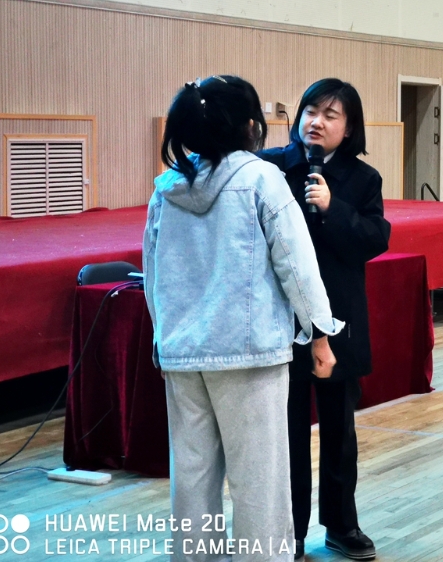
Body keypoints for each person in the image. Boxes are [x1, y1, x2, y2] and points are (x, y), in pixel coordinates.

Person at [143, 75, 344, 562]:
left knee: (192, 480)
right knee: (260, 484)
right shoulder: (261, 179)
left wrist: (162, 339)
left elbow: (153, 276)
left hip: (183, 356)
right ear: (250, 126)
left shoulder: (165, 189)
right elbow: (296, 265)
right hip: (249, 356)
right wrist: (320, 333)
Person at [258, 78, 391, 561]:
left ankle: (341, 525)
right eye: (310, 111)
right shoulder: (271, 168)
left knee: (339, 433)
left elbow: (374, 239)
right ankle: (288, 531)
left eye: (330, 115)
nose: (316, 122)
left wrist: (334, 209)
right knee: (286, 434)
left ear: (349, 128)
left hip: (338, 321)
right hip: (281, 320)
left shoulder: (363, 179)